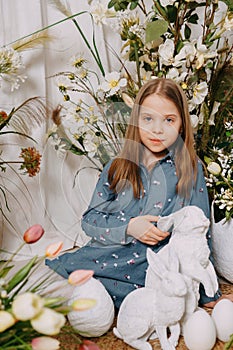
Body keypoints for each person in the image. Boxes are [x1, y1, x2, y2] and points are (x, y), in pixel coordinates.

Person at [46, 78, 232, 312]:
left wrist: (209, 295)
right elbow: (90, 221)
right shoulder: (117, 166)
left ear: (182, 124)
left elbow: (200, 232)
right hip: (105, 261)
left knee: (161, 306)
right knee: (59, 297)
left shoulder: (191, 170)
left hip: (154, 273)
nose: (157, 129)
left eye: (169, 120)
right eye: (148, 119)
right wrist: (129, 226)